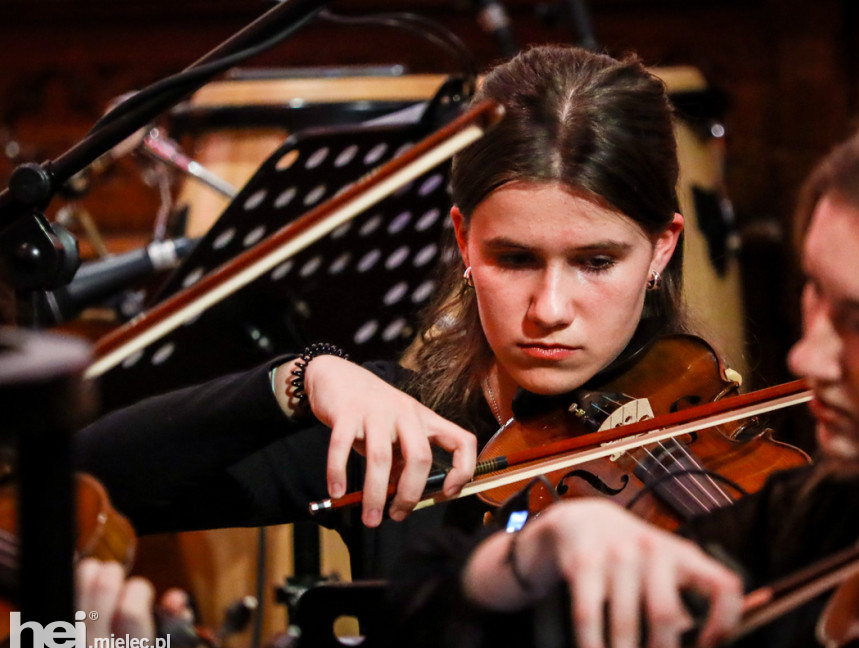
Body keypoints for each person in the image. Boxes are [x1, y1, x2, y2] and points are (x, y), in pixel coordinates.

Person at [374, 91, 859, 648]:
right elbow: (422, 624)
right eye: (816, 296)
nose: (808, 354)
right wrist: (532, 559)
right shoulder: (838, 510)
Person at [72, 44, 694, 577]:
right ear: (463, 241)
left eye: (595, 262)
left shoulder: (719, 463)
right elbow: (75, 487)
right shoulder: (399, 434)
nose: (550, 309)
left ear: (660, 248)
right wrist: (301, 379)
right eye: (515, 258)